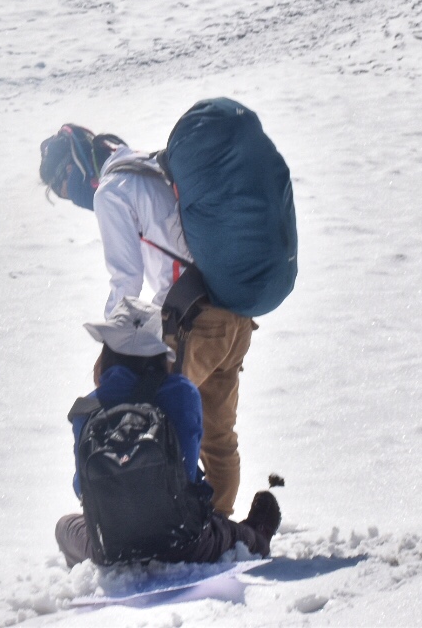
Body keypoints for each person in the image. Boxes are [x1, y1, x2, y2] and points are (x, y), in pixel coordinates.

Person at [41, 123, 257, 518]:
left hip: (197, 320)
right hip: (235, 312)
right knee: (219, 438)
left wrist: (116, 346)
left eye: (64, 186)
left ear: (75, 168)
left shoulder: (111, 191)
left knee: (144, 418)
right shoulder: (150, 167)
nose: (70, 196)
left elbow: (126, 281)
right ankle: (219, 528)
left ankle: (165, 529)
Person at [55, 298, 280, 567]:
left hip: (112, 548)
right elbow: (186, 474)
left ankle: (96, 573)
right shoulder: (181, 393)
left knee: (64, 527)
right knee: (238, 534)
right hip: (185, 543)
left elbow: (82, 489)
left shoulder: (86, 410)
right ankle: (256, 534)